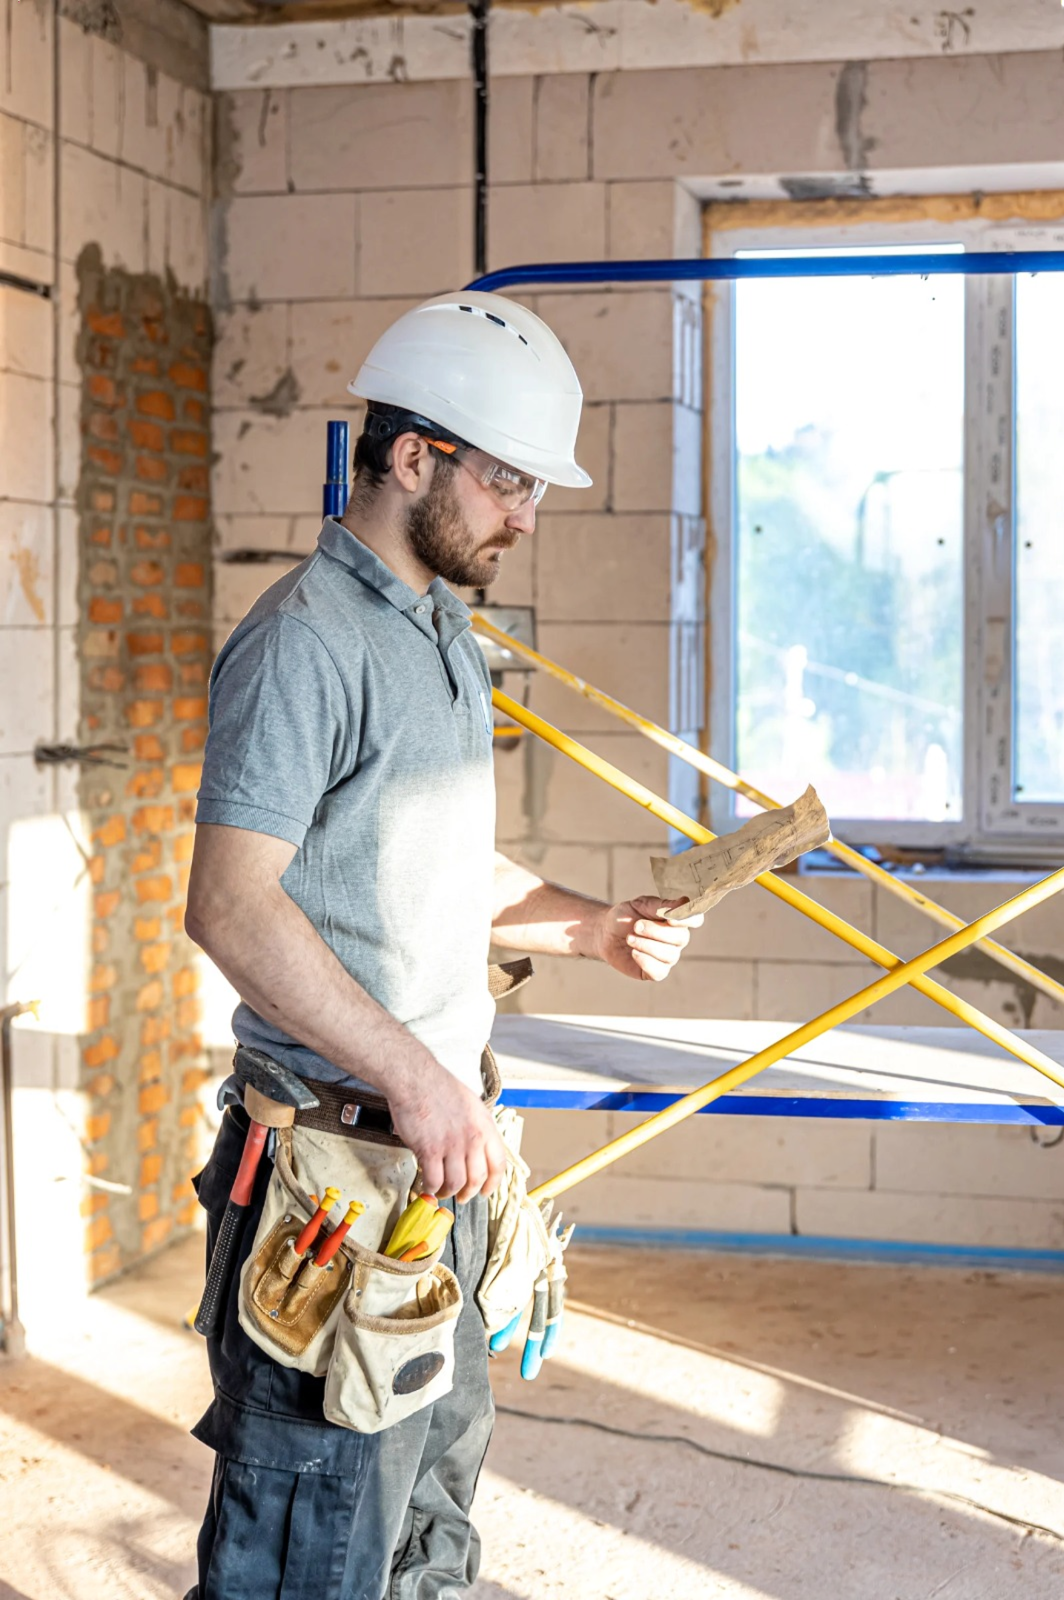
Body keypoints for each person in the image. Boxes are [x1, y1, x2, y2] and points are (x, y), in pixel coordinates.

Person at [183, 290, 702, 1600]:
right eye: (510, 484)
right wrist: (416, 1078)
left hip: (439, 1165)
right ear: (413, 456)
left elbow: (428, 863)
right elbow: (236, 905)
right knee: (309, 1548)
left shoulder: (439, 635)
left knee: (425, 1532)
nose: (527, 518)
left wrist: (583, 927)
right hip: (331, 1167)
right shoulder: (305, 640)